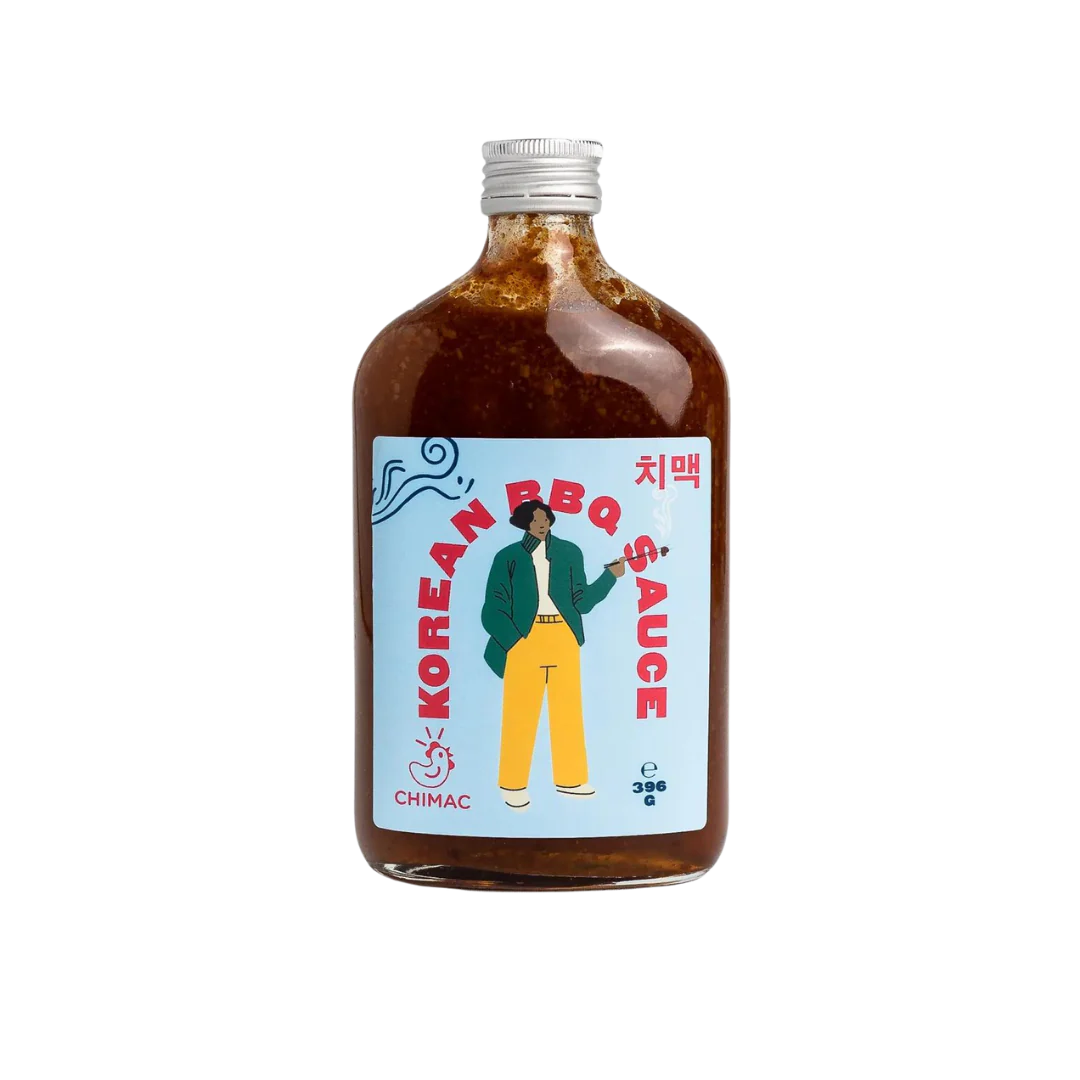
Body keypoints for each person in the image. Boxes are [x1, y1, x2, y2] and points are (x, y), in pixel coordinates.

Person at [481, 499, 626, 810]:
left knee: (568, 710)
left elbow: (582, 601)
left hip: (563, 635)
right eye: (535, 520)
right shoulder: (507, 557)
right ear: (524, 523)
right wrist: (514, 640)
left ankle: (571, 780)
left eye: (545, 518)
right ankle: (512, 785)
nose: (541, 524)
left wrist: (610, 577)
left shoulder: (569, 552)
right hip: (524, 637)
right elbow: (493, 606)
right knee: (520, 713)